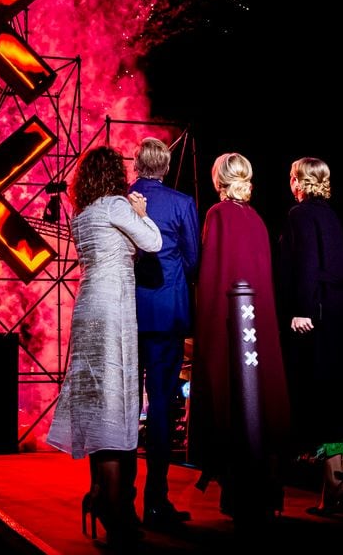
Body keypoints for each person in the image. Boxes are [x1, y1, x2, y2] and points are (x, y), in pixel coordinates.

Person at [47, 145, 163, 549]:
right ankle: (113, 506)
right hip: (114, 307)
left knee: (98, 402)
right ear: (115, 175)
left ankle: (98, 493)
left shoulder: (81, 215)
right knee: (115, 401)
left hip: (87, 306)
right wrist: (143, 213)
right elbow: (152, 242)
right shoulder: (116, 205)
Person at [187, 152, 291, 523]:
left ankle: (237, 495)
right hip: (260, 328)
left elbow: (212, 275)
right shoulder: (258, 220)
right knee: (259, 404)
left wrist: (207, 327)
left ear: (219, 180)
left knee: (231, 404)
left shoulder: (217, 216)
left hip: (229, 325)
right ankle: (266, 492)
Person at [130, 136, 200, 529]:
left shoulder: (121, 200)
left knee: (125, 406)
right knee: (160, 406)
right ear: (167, 166)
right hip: (168, 313)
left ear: (137, 165)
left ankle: (120, 497)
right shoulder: (182, 204)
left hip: (129, 314)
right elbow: (193, 262)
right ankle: (155, 502)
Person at [279, 156, 343, 516]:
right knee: (337, 400)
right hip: (339, 312)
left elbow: (307, 263)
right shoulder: (331, 214)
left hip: (317, 312)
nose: (290, 183)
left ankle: (335, 482)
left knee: (320, 401)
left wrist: (302, 309)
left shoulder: (300, 215)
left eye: (292, 177)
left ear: (299, 181)